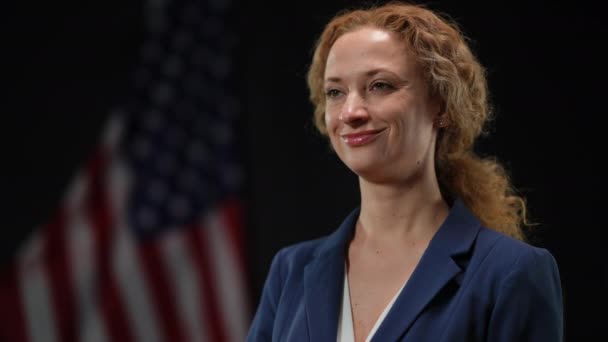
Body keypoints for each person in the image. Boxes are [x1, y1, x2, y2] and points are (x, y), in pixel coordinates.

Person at [247, 1, 564, 341]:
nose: (351, 111)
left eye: (380, 85)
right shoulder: (290, 271)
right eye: (336, 92)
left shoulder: (510, 272)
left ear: (441, 104)